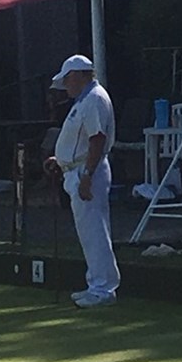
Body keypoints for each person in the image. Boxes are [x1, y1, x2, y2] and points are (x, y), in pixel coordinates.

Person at [46, 54, 117, 307]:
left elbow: (97, 139)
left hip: (87, 173)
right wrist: (62, 160)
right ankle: (97, 285)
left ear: (77, 74)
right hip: (78, 170)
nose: (65, 86)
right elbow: (82, 140)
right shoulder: (85, 100)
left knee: (94, 231)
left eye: (67, 80)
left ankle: (102, 290)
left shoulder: (94, 99)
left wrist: (86, 175)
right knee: (91, 232)